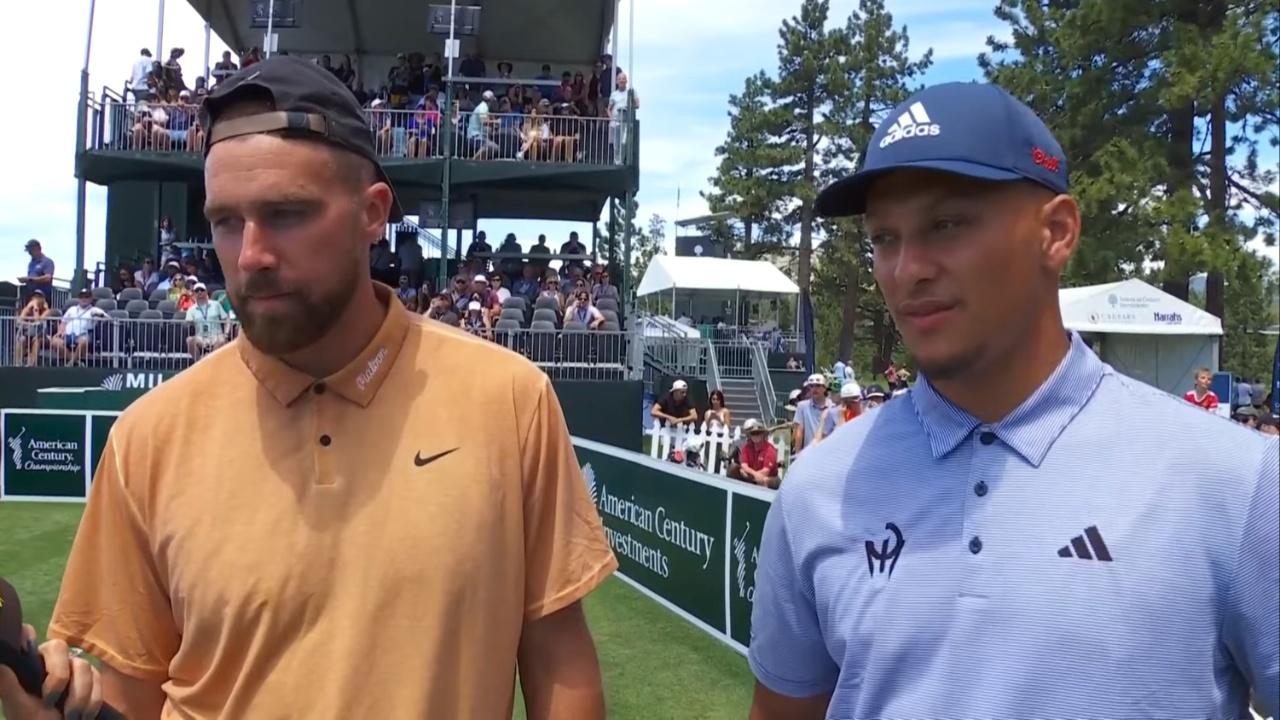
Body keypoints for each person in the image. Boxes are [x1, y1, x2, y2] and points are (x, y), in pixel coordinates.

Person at [6, 56, 616, 720]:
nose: (251, 256)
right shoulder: (147, 438)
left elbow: (559, 660)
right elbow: (133, 699)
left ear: (372, 213)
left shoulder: (509, 399)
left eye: (287, 213)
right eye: (226, 221)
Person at [746, 82, 1278, 720]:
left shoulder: (1237, 482)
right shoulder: (817, 489)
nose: (906, 268)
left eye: (946, 224)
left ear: (1056, 232)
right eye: (884, 238)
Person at [51, 288, 108, 366]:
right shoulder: (71, 309)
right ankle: (75, 361)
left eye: (86, 297)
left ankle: (70, 363)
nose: (84, 299)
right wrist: (60, 331)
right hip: (67, 335)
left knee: (83, 342)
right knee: (55, 341)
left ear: (91, 299)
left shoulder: (94, 310)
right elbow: (63, 322)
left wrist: (99, 315)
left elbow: (107, 318)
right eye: (82, 297)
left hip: (84, 335)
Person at [727, 419, 780, 489]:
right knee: (733, 468)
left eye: (758, 433)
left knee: (767, 480)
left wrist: (749, 475)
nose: (756, 436)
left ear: (763, 435)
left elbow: (765, 472)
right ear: (750, 435)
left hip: (768, 477)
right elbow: (744, 466)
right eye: (753, 433)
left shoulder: (770, 450)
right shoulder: (746, 447)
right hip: (751, 476)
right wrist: (754, 475)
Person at [185, 282, 230, 360]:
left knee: (222, 340)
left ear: (206, 292)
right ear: (194, 293)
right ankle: (198, 363)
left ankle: (209, 362)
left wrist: (226, 333)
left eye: (201, 290)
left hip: (216, 335)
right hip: (200, 337)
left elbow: (226, 318)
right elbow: (188, 323)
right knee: (189, 340)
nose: (199, 292)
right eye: (197, 291)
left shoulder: (216, 304)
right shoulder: (191, 309)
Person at [791, 373, 835, 452]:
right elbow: (799, 432)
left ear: (824, 388)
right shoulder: (802, 406)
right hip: (808, 453)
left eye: (818, 386)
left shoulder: (833, 407)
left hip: (828, 453)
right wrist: (797, 455)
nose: (814, 389)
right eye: (811, 386)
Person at [14, 289, 50, 366]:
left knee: (36, 340)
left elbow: (38, 322)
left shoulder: (46, 311)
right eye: (35, 297)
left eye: (39, 297)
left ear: (43, 300)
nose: (36, 299)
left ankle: (31, 365)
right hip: (28, 335)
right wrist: (28, 309)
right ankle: (17, 364)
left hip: (43, 337)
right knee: (21, 339)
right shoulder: (27, 309)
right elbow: (19, 321)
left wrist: (35, 308)